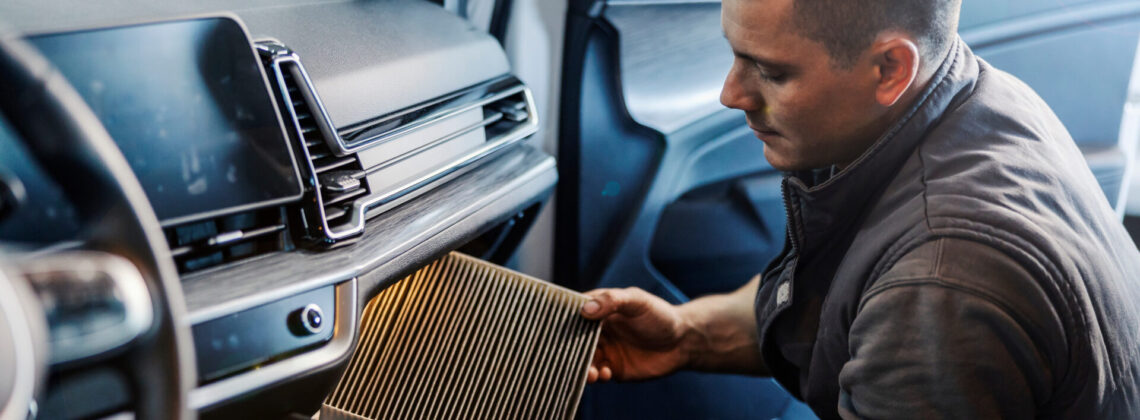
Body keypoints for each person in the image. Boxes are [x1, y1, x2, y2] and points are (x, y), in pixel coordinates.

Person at [578, 0, 1140, 418]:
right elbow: (841, 287)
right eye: (733, 56)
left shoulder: (940, 286)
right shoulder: (975, 94)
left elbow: (909, 299)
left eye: (772, 72)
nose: (732, 94)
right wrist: (687, 334)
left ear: (891, 69)